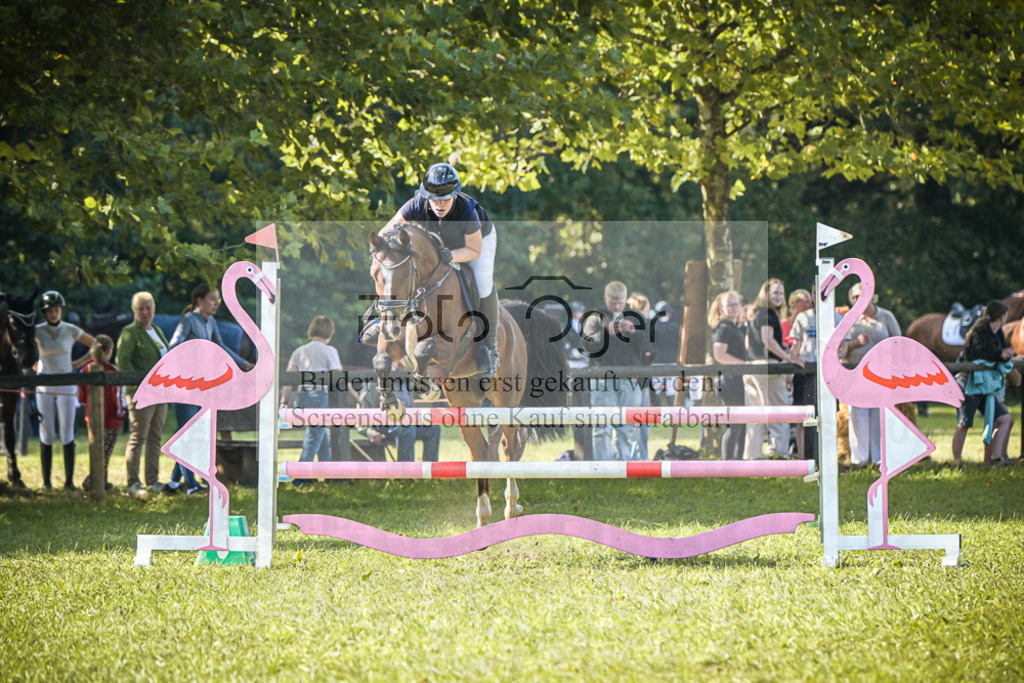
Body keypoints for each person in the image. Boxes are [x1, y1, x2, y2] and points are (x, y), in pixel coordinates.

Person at [378, 154, 500, 376]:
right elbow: (385, 232)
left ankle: (489, 347)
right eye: (434, 199)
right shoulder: (416, 204)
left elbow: (474, 250)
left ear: (455, 196)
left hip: (473, 242)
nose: (439, 204)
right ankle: (384, 323)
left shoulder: (467, 212)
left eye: (445, 199)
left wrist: (451, 255)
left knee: (483, 284)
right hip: (439, 244)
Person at [166, 283, 252, 494]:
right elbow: (173, 346)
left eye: (218, 299)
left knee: (195, 433)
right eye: (213, 299)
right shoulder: (188, 320)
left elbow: (221, 347)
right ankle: (191, 486)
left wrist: (243, 364)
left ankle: (173, 483)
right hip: (184, 386)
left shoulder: (210, 321)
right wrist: (196, 354)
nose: (216, 304)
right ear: (199, 301)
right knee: (187, 435)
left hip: (201, 387)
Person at [34, 290, 97, 490]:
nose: (53, 313)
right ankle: (46, 482)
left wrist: (78, 363)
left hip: (67, 382)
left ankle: (69, 482)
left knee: (67, 431)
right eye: (49, 310)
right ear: (44, 313)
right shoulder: (37, 330)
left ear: (61, 310)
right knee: (46, 431)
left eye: (56, 309)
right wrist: (34, 365)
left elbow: (96, 344)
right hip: (44, 383)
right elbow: (21, 347)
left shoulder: (70, 329)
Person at [581, 281, 648, 461]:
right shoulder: (595, 317)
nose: (617, 306)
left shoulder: (635, 317)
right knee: (602, 426)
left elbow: (648, 346)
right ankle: (603, 468)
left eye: (620, 302)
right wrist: (604, 332)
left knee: (627, 425)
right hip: (602, 377)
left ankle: (624, 466)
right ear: (605, 298)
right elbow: (586, 345)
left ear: (627, 299)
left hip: (630, 378)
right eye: (613, 303)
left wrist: (634, 332)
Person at [117, 291, 171, 497]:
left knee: (156, 437)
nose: (145, 312)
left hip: (161, 393)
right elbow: (123, 362)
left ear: (154, 309)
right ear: (134, 311)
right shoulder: (130, 332)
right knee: (138, 437)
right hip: (141, 394)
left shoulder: (156, 330)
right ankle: (133, 482)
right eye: (141, 309)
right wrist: (144, 383)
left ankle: (152, 480)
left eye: (148, 308)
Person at [743, 279, 805, 460]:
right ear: (766, 294)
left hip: (751, 367)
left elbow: (749, 342)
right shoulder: (768, 313)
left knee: (755, 418)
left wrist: (784, 349)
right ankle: (779, 457)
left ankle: (751, 459)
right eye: (775, 293)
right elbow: (767, 340)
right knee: (778, 415)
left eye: (780, 293)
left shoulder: (755, 313)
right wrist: (788, 358)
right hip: (769, 368)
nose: (779, 296)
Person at [280, 316, 344, 486]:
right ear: (329, 333)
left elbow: (288, 378)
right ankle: (299, 479)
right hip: (318, 395)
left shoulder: (299, 351)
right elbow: (339, 377)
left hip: (301, 396)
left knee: (320, 436)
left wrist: (284, 400)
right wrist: (355, 395)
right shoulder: (329, 350)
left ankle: (329, 476)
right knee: (314, 436)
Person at [951, 300, 1015, 466]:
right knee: (964, 424)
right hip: (970, 384)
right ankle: (956, 462)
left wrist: (1007, 352)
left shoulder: (997, 332)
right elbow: (978, 354)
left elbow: (999, 350)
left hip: (986, 385)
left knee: (1004, 419)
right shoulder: (980, 331)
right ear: (1001, 316)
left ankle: (995, 458)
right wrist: (1000, 355)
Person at [844, 281, 900, 467]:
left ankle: (878, 459)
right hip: (855, 372)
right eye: (853, 297)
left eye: (860, 296)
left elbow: (898, 343)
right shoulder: (848, 318)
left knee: (879, 415)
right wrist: (854, 344)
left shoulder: (886, 316)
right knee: (857, 415)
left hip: (881, 374)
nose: (857, 300)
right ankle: (859, 460)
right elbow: (839, 348)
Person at [789, 298, 849, 463]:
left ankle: (828, 459)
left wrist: (834, 356)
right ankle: (805, 460)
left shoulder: (838, 319)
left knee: (828, 416)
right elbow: (796, 346)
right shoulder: (803, 317)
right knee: (804, 417)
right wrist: (792, 362)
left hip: (828, 374)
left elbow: (844, 347)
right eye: (816, 291)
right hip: (806, 373)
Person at [78, 335, 125, 490]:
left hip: (91, 418)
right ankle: (91, 480)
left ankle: (102, 482)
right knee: (105, 453)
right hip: (111, 419)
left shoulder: (85, 370)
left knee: (97, 450)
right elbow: (117, 395)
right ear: (110, 350)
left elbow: (81, 397)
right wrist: (121, 413)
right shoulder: (112, 370)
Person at [709, 291, 748, 461]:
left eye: (736, 304)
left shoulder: (736, 327)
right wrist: (746, 366)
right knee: (734, 425)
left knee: (742, 425)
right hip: (729, 381)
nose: (733, 308)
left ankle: (737, 464)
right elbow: (720, 356)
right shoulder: (723, 328)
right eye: (729, 305)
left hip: (739, 380)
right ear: (721, 309)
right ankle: (728, 464)